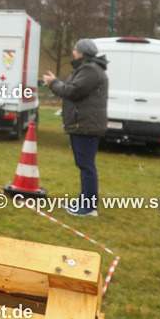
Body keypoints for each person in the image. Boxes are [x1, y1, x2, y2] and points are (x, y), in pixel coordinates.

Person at [42, 39, 108, 217]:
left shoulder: (90, 70)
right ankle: (83, 200)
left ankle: (89, 207)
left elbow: (73, 91)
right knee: (83, 164)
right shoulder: (88, 68)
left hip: (86, 125)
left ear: (82, 52)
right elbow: (73, 88)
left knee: (86, 166)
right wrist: (56, 83)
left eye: (76, 49)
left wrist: (53, 83)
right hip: (84, 124)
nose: (73, 51)